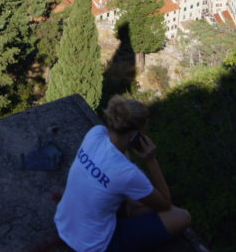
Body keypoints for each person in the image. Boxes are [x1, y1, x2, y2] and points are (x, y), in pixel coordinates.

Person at [54, 96, 191, 252]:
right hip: (94, 245)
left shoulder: (95, 134)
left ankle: (130, 210)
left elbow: (118, 153)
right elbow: (165, 203)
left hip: (64, 223)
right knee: (181, 216)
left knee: (137, 199)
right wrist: (151, 161)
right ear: (135, 134)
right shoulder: (128, 173)